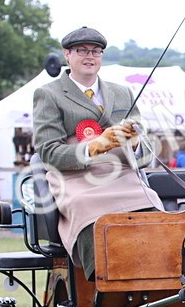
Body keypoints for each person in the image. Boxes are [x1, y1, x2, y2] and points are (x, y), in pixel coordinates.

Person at [32, 26, 161, 278]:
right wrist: (94, 147)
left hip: (125, 178)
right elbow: (48, 152)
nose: (90, 56)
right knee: (93, 219)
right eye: (82, 50)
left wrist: (134, 142)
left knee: (156, 215)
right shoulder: (49, 94)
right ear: (67, 55)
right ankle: (104, 286)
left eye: (96, 51)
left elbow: (146, 154)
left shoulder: (122, 92)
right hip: (77, 181)